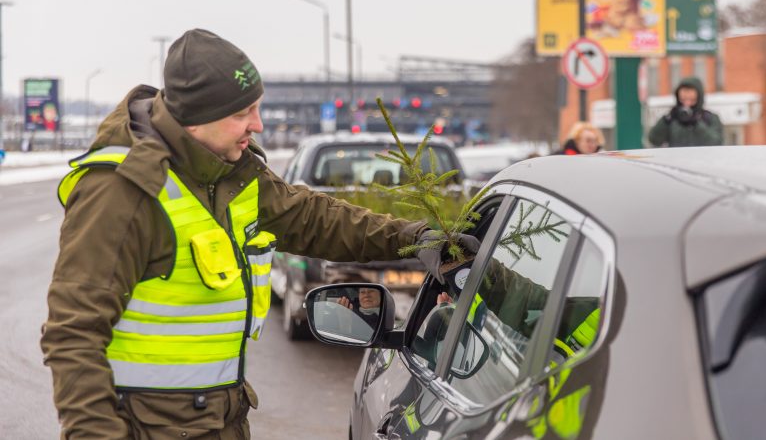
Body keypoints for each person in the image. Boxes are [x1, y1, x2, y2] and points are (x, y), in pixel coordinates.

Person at [40, 28, 475, 439]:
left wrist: (417, 238)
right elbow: (73, 334)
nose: (258, 125)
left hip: (218, 424)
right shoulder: (122, 193)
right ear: (196, 117)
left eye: (257, 107)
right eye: (241, 112)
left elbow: (318, 219)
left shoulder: (233, 176)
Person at [648, 76, 723, 147]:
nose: (687, 103)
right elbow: (654, 140)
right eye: (683, 99)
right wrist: (666, 121)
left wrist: (696, 124)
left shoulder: (709, 118)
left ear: (699, 98)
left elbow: (716, 142)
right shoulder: (673, 119)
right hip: (676, 159)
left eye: (691, 99)